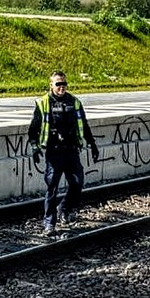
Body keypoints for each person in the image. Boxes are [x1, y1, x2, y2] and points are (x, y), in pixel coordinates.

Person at [28, 70, 99, 235]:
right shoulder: (43, 103)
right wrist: (34, 147)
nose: (62, 87)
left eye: (64, 83)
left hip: (72, 151)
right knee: (52, 188)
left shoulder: (74, 102)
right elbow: (33, 129)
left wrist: (93, 144)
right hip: (54, 153)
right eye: (58, 84)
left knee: (77, 183)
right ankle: (49, 223)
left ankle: (64, 208)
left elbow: (84, 125)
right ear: (51, 85)